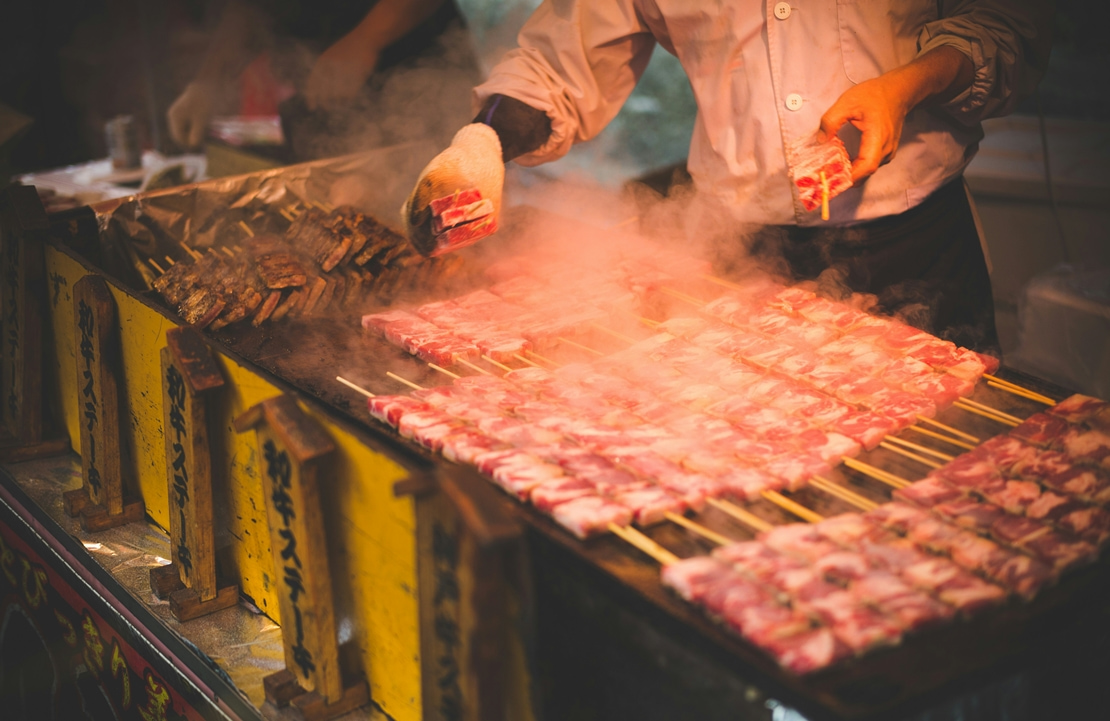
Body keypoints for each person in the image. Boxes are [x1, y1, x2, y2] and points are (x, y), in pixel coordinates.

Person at [404, 1, 1053, 354]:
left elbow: (1005, 28)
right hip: (742, 256)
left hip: (916, 245)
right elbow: (558, 62)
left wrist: (906, 86)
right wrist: (484, 137)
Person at [168, 0, 477, 159]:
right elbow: (251, 7)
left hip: (420, 78)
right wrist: (207, 82)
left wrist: (366, 39)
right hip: (322, 100)